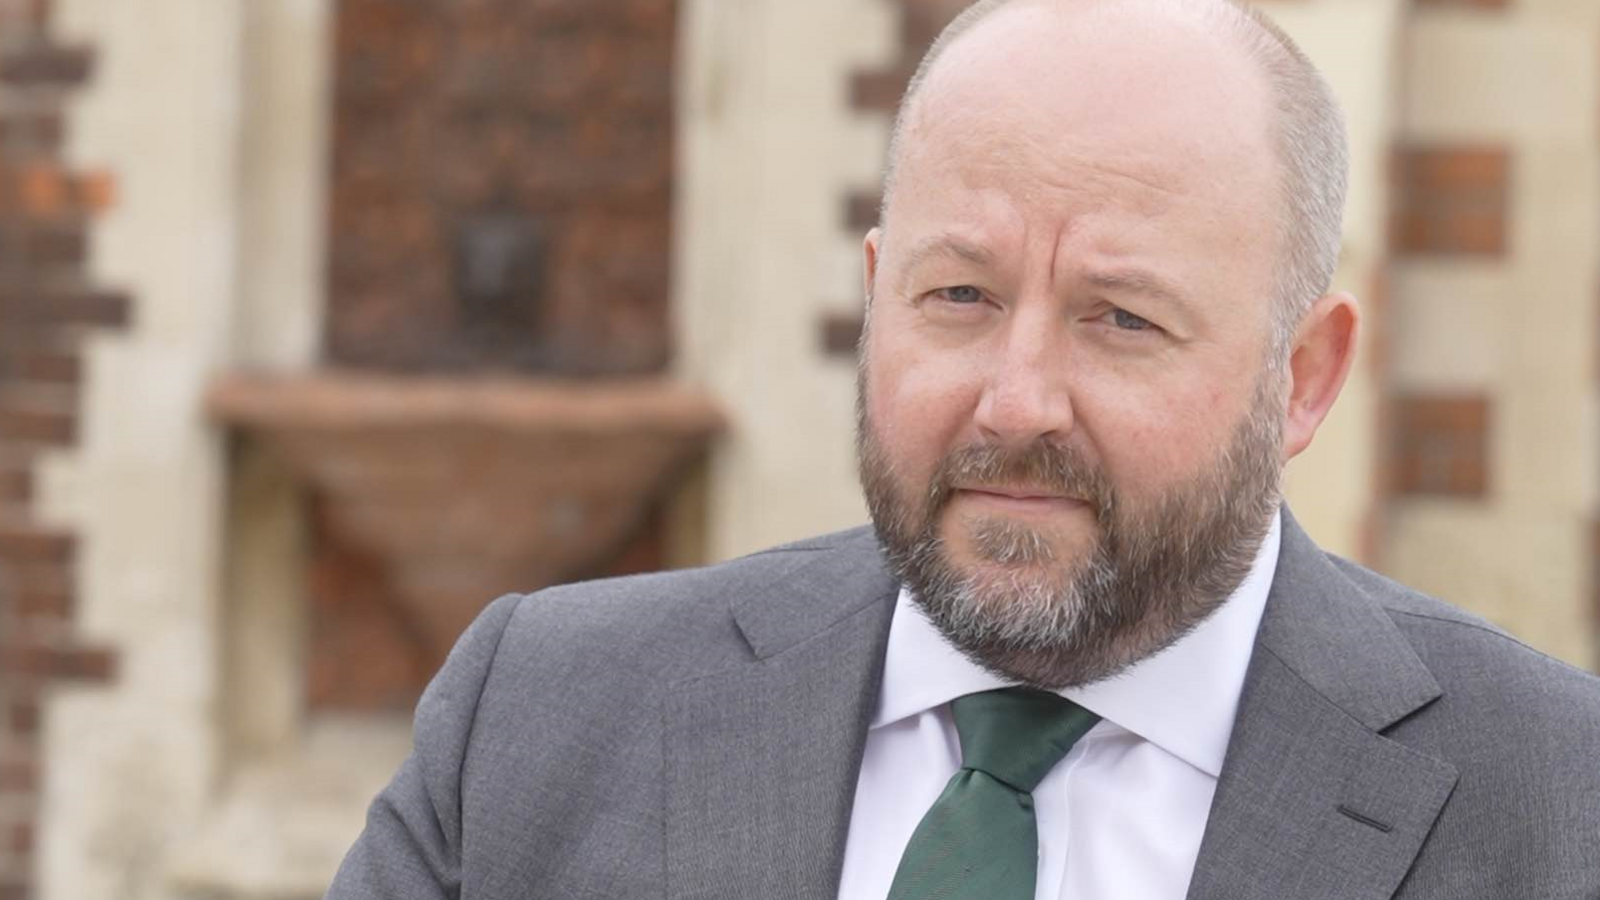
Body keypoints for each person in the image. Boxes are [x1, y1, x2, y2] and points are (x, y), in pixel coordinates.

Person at [325, 0, 1600, 897]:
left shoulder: (1556, 807)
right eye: (959, 298)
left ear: (1302, 377)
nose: (1015, 401)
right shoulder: (542, 715)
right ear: (876, 296)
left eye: (1121, 317)